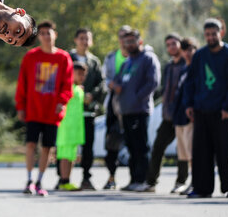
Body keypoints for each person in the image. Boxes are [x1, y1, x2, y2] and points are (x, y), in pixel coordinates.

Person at [183, 18, 228, 198]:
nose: (210, 37)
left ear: (221, 33)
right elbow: (190, 81)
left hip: (222, 112)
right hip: (201, 111)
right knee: (201, 153)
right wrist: (189, 104)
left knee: (226, 153)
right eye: (207, 34)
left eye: (213, 33)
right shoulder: (199, 56)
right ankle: (201, 189)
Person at [15, 20, 73, 197]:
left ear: (55, 35)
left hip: (52, 112)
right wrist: (21, 106)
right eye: (42, 33)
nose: (46, 36)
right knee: (31, 144)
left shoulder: (63, 58)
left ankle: (40, 181)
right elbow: (22, 84)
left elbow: (67, 85)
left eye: (49, 33)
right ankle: (29, 180)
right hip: (33, 109)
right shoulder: (31, 56)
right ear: (38, 36)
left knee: (47, 147)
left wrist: (61, 101)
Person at [110, 28, 160, 192]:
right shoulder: (127, 62)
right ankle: (134, 180)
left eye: (132, 41)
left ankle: (145, 181)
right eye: (127, 42)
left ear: (140, 42)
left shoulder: (148, 58)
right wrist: (115, 86)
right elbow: (117, 81)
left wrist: (137, 97)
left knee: (141, 146)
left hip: (140, 110)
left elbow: (153, 82)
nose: (129, 44)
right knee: (131, 146)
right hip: (126, 111)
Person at [141, 33, 188, 194]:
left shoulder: (187, 64)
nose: (171, 47)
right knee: (158, 147)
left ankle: (181, 182)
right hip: (168, 116)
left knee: (183, 150)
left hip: (182, 115)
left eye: (174, 44)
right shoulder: (169, 66)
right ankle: (151, 182)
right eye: (168, 45)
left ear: (180, 44)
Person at [68, 28, 105, 190]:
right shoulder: (68, 58)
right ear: (76, 40)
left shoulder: (94, 61)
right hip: (70, 110)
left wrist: (91, 96)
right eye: (81, 38)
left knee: (88, 145)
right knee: (68, 144)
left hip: (88, 110)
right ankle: (64, 178)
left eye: (87, 39)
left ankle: (86, 177)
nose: (84, 41)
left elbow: (101, 84)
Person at [101, 25, 131, 190]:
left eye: (127, 36)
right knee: (111, 144)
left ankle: (136, 179)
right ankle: (111, 178)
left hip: (132, 106)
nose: (124, 39)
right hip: (113, 104)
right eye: (121, 36)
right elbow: (104, 78)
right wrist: (111, 84)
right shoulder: (112, 57)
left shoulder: (137, 57)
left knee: (133, 143)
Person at [172, 37, 199, 195]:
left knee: (192, 153)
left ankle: (196, 182)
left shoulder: (197, 69)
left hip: (191, 117)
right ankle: (190, 181)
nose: (188, 53)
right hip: (179, 117)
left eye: (190, 49)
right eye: (185, 50)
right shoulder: (183, 70)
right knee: (184, 154)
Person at [55, 61, 87, 191]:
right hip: (66, 127)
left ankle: (67, 179)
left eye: (83, 74)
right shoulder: (66, 87)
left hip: (76, 127)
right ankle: (64, 180)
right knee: (65, 155)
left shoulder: (79, 89)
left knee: (72, 155)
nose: (81, 77)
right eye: (78, 74)